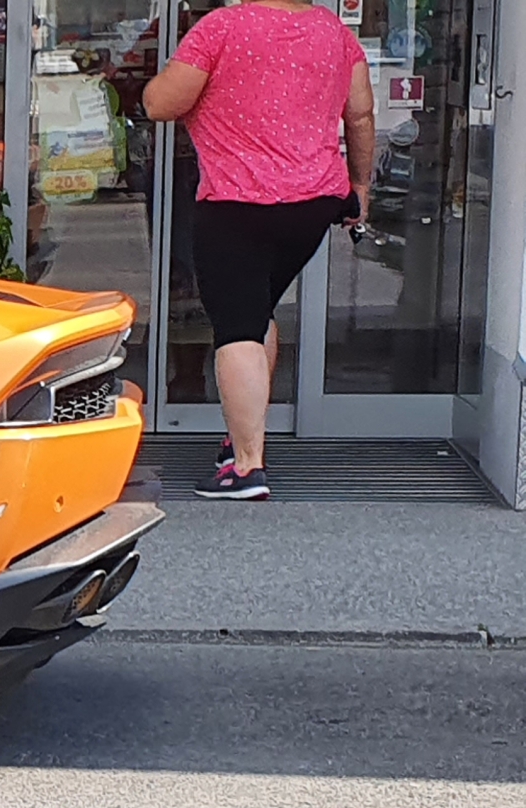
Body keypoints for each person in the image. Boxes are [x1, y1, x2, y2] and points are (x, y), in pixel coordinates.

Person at [143, 0, 374, 500]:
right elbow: (360, 115)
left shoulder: (221, 27)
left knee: (237, 326)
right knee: (257, 312)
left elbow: (162, 104)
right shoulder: (334, 32)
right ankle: (244, 436)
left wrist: (152, 82)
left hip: (237, 203)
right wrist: (360, 187)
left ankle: (246, 467)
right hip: (315, 203)